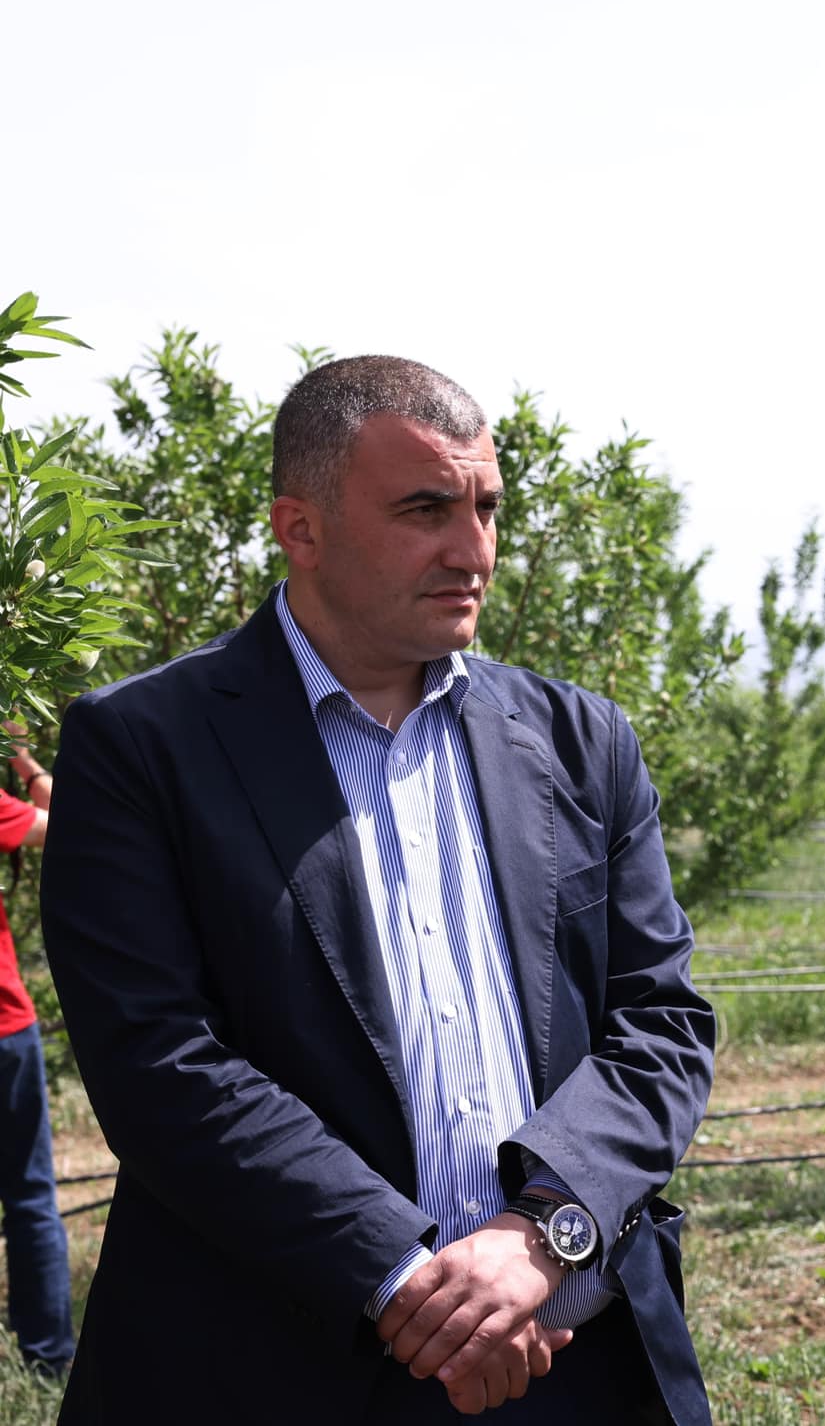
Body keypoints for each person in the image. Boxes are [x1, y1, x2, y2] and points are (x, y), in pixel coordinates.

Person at [40, 356, 716, 1424]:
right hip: (279, 1362)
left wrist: (541, 1236)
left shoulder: (581, 740)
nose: (473, 549)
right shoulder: (144, 746)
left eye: (487, 508)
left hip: (565, 1350)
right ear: (300, 529)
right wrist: (404, 1280)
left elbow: (662, 1022)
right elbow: (160, 1063)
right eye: (425, 509)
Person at [0, 721, 72, 1380]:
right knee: (28, 1195)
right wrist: (22, 758)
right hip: (5, 1028)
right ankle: (47, 1359)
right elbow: (67, 818)